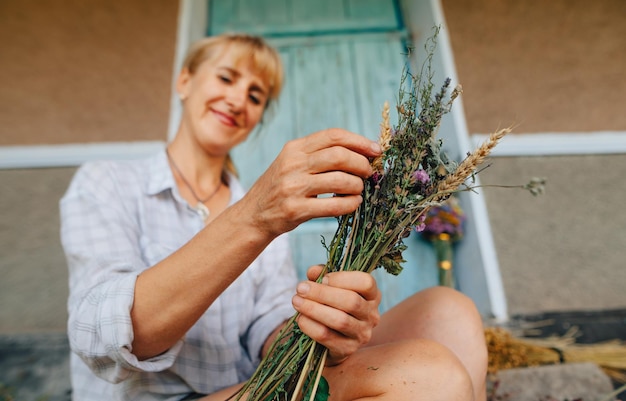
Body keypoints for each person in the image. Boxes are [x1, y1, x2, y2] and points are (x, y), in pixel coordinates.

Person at [61, 33, 488, 401]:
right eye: (227, 77)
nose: (237, 99)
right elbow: (101, 337)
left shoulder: (265, 205)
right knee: (432, 373)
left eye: (255, 95)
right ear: (185, 81)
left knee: (448, 310)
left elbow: (266, 334)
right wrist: (254, 217)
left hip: (244, 387)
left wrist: (323, 326)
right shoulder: (109, 182)